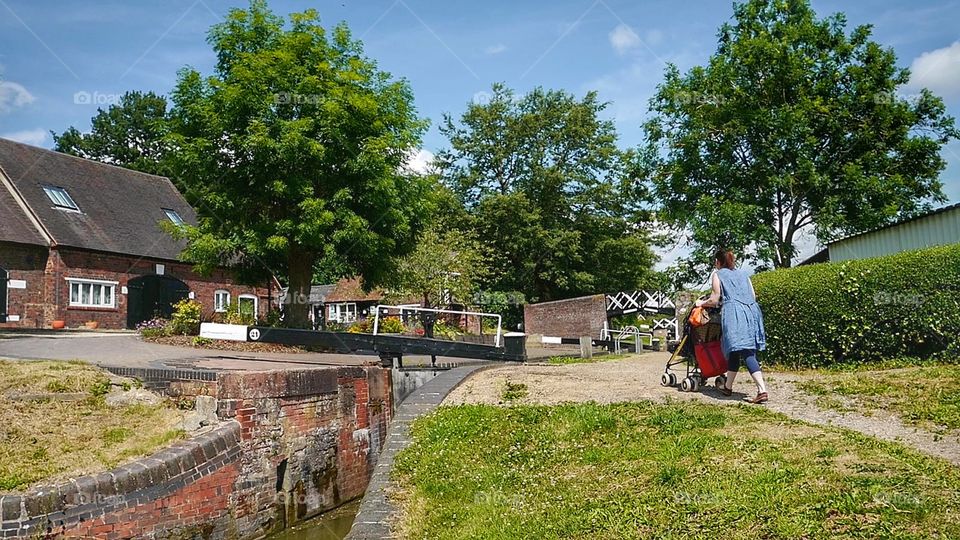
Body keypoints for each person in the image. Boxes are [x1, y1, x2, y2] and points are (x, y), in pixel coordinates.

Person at [695, 248, 768, 404]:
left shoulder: (718, 274)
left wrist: (701, 303)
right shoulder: (744, 274)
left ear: (717, 262)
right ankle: (728, 386)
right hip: (752, 311)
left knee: (746, 351)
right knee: (735, 349)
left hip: (734, 313)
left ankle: (762, 390)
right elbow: (753, 296)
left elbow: (714, 299)